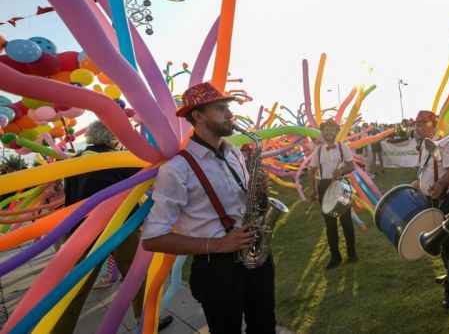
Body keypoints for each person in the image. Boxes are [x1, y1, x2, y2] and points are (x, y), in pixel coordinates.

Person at [142, 82, 286, 334]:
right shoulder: (176, 170)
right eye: (221, 108)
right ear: (197, 115)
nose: (230, 115)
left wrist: (259, 194)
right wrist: (218, 244)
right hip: (216, 270)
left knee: (265, 325)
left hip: (256, 257)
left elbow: (246, 205)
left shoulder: (234, 154)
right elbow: (153, 238)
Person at [53, 121, 173, 333]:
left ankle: (59, 330)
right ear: (113, 137)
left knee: (76, 286)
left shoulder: (76, 160)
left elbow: (70, 198)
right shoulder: (120, 160)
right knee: (135, 275)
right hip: (121, 228)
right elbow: (149, 182)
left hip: (84, 229)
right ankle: (145, 321)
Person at [412, 110, 449, 309]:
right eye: (416, 123)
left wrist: (440, 185)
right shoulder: (423, 146)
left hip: (447, 199)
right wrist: (419, 183)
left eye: (422, 123)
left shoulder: (445, 141)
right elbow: (426, 170)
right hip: (433, 199)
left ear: (433, 123)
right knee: (442, 241)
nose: (417, 127)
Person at [308, 118, 357, 269]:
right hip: (324, 186)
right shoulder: (318, 150)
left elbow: (351, 166)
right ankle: (335, 257)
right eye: (326, 130)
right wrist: (313, 189)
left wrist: (341, 170)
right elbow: (312, 170)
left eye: (332, 129)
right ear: (322, 133)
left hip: (341, 185)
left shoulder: (343, 147)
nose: (329, 132)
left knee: (346, 221)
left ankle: (352, 254)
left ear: (336, 131)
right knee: (330, 224)